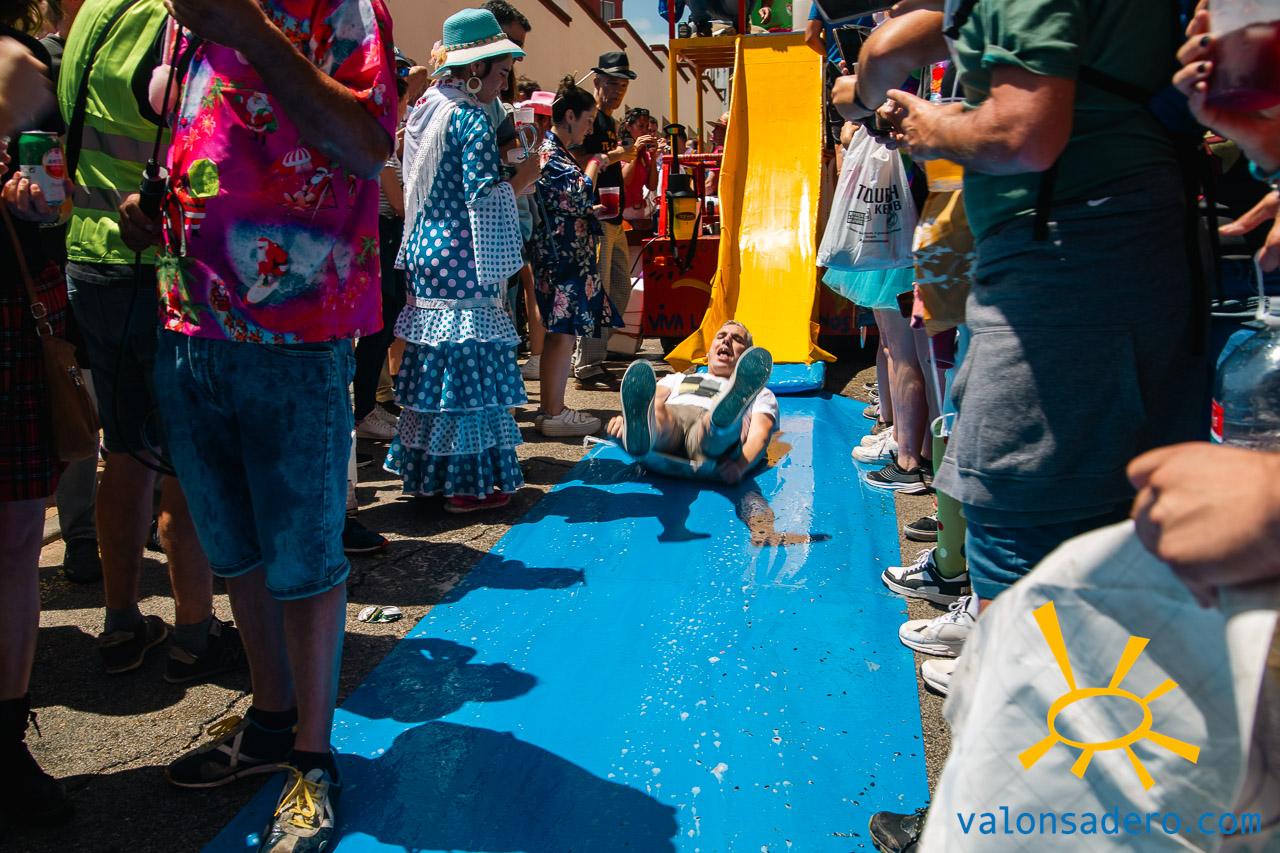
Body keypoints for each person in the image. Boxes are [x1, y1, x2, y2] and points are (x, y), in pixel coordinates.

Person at [115, 0, 395, 840]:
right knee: (233, 543)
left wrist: (251, 32)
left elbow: (367, 143)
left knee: (305, 556)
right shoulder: (185, 16)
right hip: (188, 316)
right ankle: (271, 720)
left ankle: (313, 756)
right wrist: (148, 207)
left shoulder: (338, 8)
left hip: (296, 328)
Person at [870, 0, 1208, 613]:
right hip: (1129, 253)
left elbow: (1020, 132)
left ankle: (1009, 652)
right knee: (1125, 532)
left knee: (1016, 523)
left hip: (1062, 271)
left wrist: (930, 126)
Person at [56, 0, 242, 682]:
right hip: (159, 266)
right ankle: (194, 632)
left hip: (89, 260)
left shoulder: (90, 16)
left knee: (125, 452)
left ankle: (120, 621)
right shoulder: (173, 16)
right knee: (184, 463)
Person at [386, 9, 536, 513]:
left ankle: (431, 474)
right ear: (475, 68)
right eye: (500, 72)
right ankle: (467, 483)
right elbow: (482, 195)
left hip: (426, 251)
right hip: (463, 255)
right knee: (470, 369)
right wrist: (522, 179)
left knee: (436, 366)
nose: (503, 83)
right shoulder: (470, 116)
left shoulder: (426, 108)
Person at [0, 4, 75, 827]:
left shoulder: (17, 62)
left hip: (14, 317)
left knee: (19, 539)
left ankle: (6, 742)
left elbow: (59, 197)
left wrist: (42, 208)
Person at [532, 75, 622, 437]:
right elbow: (579, 192)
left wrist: (590, 212)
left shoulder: (555, 152)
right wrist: (597, 162)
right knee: (562, 332)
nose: (589, 129)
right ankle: (553, 411)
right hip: (562, 258)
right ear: (569, 116)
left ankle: (551, 409)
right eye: (587, 120)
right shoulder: (551, 153)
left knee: (562, 332)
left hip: (565, 254)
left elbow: (569, 204)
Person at [607, 321, 776, 485]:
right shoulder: (677, 378)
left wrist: (741, 466)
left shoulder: (759, 392)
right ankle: (644, 433)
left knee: (711, 429)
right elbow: (650, 400)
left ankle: (723, 420)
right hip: (675, 417)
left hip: (708, 431)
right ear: (708, 353)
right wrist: (626, 423)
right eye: (721, 336)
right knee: (657, 410)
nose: (726, 340)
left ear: (746, 358)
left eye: (737, 339)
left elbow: (760, 433)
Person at [573, 50, 637, 391]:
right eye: (612, 83)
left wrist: (626, 157)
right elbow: (577, 157)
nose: (617, 91)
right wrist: (615, 155)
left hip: (614, 218)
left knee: (619, 291)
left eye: (622, 85)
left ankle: (592, 356)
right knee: (599, 293)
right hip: (596, 216)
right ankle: (587, 362)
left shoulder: (610, 123)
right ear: (596, 81)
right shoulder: (591, 117)